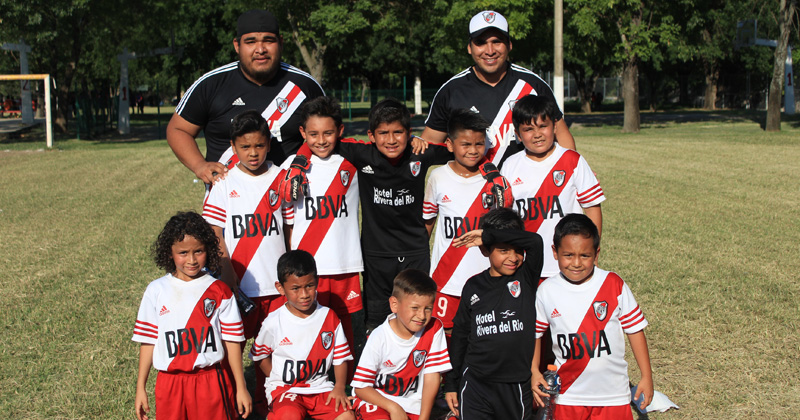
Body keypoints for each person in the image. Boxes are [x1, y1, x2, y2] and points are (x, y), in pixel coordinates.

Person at [282, 98, 452, 331]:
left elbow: (460, 150)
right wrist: (299, 161)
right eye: (383, 133)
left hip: (415, 250)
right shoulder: (361, 153)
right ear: (371, 136)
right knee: (376, 320)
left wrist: (490, 170)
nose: (391, 140)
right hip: (375, 254)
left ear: (408, 132)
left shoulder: (420, 152)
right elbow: (316, 140)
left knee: (416, 313)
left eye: (398, 133)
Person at [201, 110, 293, 413]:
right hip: (238, 286)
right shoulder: (224, 183)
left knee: (275, 349)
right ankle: (229, 404)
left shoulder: (280, 178)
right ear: (233, 146)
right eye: (245, 147)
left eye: (259, 145)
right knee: (232, 348)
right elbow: (214, 233)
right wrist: (226, 271)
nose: (253, 153)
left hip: (276, 287)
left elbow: (289, 228)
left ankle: (269, 403)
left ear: (268, 144)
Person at [168, 9, 325, 185]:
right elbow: (178, 129)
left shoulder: (305, 86)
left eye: (269, 40)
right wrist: (199, 165)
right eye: (251, 42)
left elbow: (330, 136)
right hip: (228, 197)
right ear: (237, 45)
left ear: (281, 43)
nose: (260, 49)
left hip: (289, 197)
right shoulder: (211, 84)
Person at [532, 213, 653, 419]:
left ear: (596, 254)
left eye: (585, 256)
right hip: (568, 396)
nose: (576, 263)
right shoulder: (546, 290)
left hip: (613, 395)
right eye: (568, 255)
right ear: (555, 252)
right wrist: (534, 371)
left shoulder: (613, 284)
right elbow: (535, 334)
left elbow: (635, 330)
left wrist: (646, 376)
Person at [132, 211, 251, 420]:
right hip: (169, 383)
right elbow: (148, 340)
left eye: (198, 251)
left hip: (210, 381)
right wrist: (140, 387)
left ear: (209, 249)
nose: (192, 259)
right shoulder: (156, 291)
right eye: (183, 253)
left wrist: (241, 386)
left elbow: (232, 341)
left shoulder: (219, 290)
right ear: (170, 252)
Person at [422, 10, 576, 166]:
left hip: (526, 181)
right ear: (469, 47)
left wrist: (573, 171)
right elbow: (428, 146)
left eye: (497, 41)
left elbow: (561, 135)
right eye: (480, 42)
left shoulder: (533, 84)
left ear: (509, 45)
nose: (490, 51)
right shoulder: (450, 91)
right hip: (473, 182)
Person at [443, 208, 543, 420]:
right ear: (485, 250)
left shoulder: (526, 277)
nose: (513, 257)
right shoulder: (473, 286)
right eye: (504, 250)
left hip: (515, 385)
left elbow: (535, 241)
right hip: (476, 383)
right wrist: (451, 383)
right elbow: (460, 336)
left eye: (518, 250)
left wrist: (489, 235)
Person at [281, 96, 363, 349]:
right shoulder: (292, 167)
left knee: (346, 328)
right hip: (307, 267)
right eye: (313, 134)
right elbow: (288, 220)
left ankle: (347, 371)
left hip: (344, 264)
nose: (321, 140)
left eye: (328, 133)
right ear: (302, 132)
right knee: (309, 326)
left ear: (340, 130)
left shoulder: (353, 160)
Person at [423, 109, 512, 335]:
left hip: (484, 277)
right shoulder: (438, 177)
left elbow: (504, 227)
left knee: (482, 335)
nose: (473, 150)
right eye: (465, 144)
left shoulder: (495, 181)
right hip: (446, 280)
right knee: (447, 337)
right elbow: (428, 224)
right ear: (450, 144)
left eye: (479, 144)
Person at [501, 94, 604, 282]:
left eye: (543, 126)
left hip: (568, 265)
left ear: (555, 127)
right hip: (527, 265)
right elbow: (506, 216)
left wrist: (592, 251)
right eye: (528, 129)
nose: (537, 134)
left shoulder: (573, 160)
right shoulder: (510, 166)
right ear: (518, 134)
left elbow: (592, 208)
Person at [250, 250, 355, 420]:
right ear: (280, 288)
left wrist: (339, 387)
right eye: (295, 288)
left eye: (309, 286)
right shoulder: (274, 321)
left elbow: (340, 358)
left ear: (317, 281)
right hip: (286, 390)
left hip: (320, 388)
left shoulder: (329, 317)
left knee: (347, 416)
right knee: (289, 415)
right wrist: (277, 378)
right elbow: (260, 355)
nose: (304, 294)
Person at [351, 269, 451, 420]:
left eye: (428, 309)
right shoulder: (379, 336)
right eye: (415, 308)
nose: (422, 316)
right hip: (378, 401)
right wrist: (393, 407)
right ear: (394, 305)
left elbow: (432, 376)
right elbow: (361, 387)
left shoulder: (434, 328)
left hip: (413, 406)